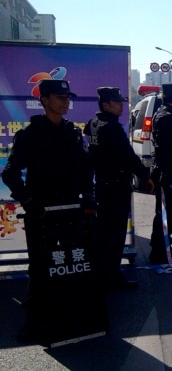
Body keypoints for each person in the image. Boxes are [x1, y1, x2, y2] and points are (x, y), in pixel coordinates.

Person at [2, 79, 96, 342]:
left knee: (72, 264)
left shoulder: (72, 132)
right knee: (41, 270)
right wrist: (28, 201)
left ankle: (71, 317)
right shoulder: (30, 135)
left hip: (71, 212)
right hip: (42, 214)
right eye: (59, 97)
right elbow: (10, 173)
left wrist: (88, 194)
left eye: (67, 97)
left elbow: (85, 168)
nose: (65, 101)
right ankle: (34, 323)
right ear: (44, 100)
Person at [84, 87, 154, 290]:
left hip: (102, 187)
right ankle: (112, 278)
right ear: (106, 105)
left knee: (103, 233)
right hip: (116, 188)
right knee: (115, 236)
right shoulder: (112, 128)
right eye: (117, 102)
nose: (121, 105)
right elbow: (129, 156)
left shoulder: (93, 125)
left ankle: (102, 274)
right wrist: (145, 176)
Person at [148, 83, 172, 264]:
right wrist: (164, 173)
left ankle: (164, 245)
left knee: (168, 212)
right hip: (165, 171)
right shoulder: (165, 117)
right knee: (168, 213)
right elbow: (164, 148)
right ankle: (158, 250)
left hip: (171, 169)